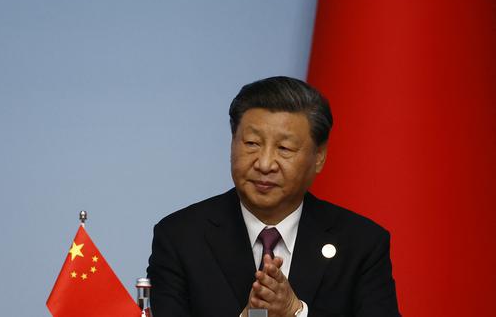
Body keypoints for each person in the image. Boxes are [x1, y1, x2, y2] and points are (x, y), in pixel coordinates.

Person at [147, 76, 400, 317]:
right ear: (233, 142)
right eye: (252, 143)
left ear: (319, 157)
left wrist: (295, 312)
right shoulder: (180, 237)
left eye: (284, 148)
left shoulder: (361, 244)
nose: (265, 163)